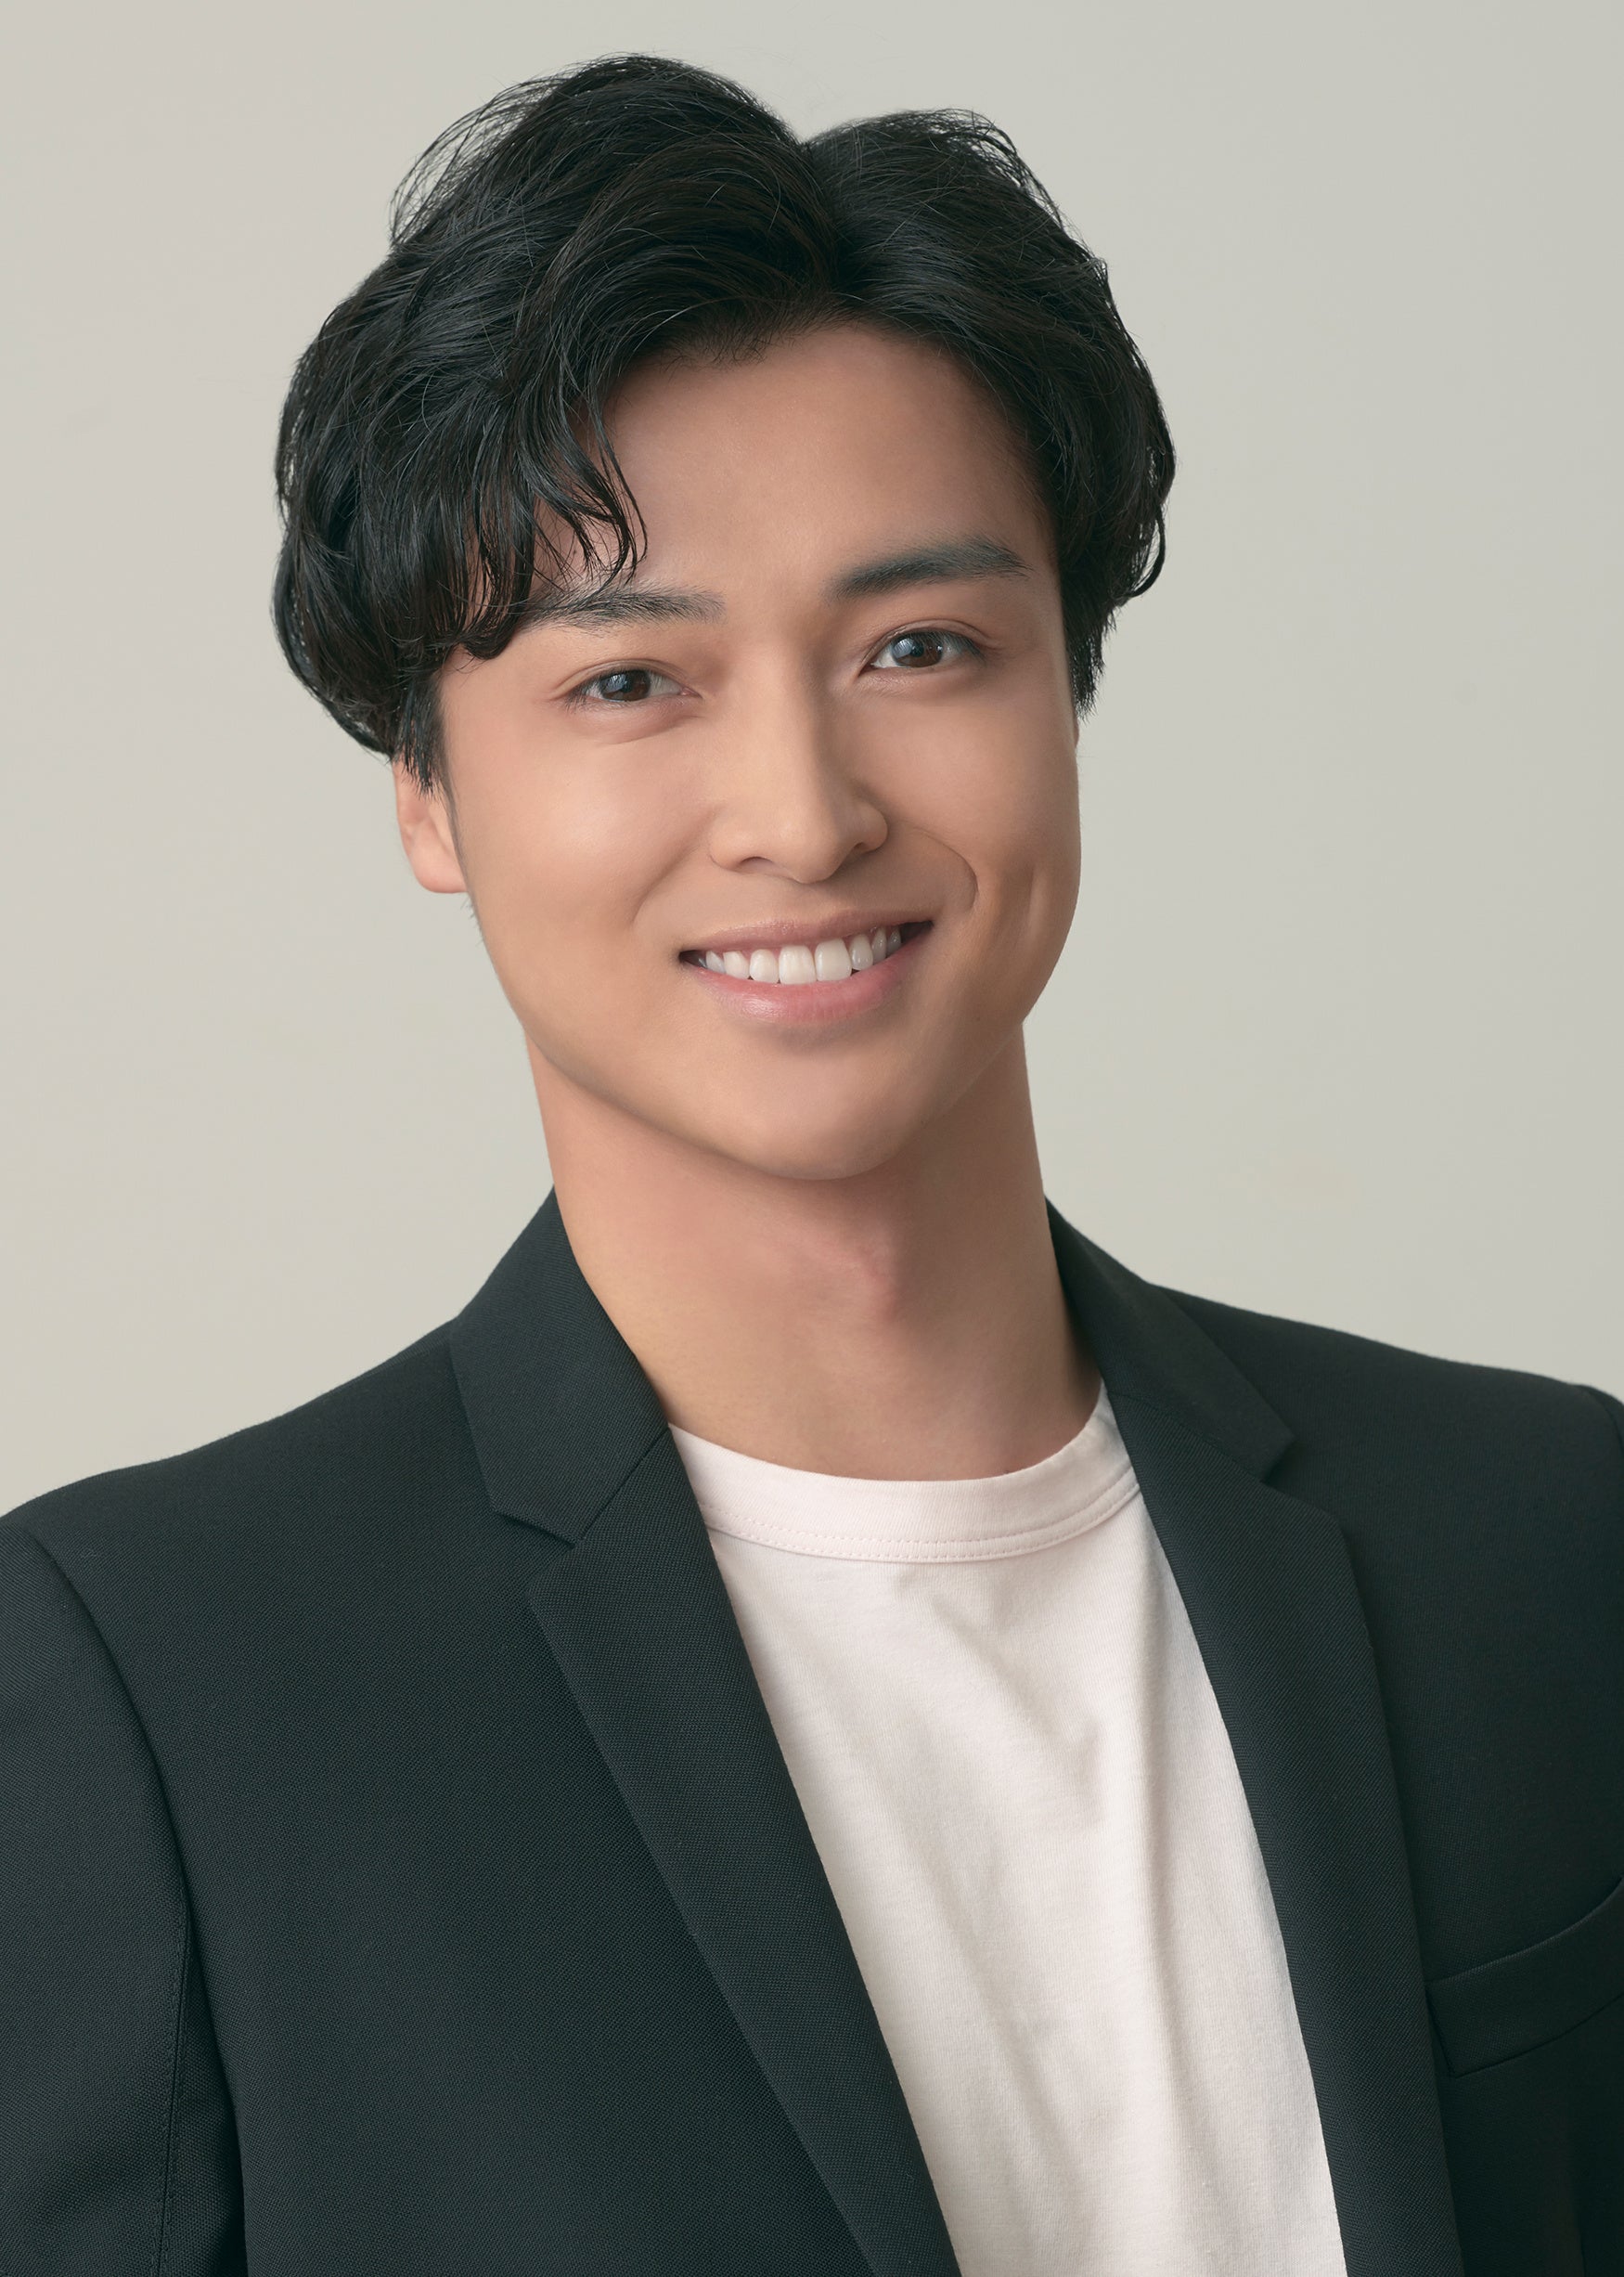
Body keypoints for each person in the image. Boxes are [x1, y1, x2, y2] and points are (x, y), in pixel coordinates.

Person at [2, 51, 1618, 2277]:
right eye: (627, 683)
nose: (801, 811)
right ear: (427, 793)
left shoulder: (1543, 1542)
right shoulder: (159, 1687)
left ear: (1065, 695)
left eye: (918, 649)